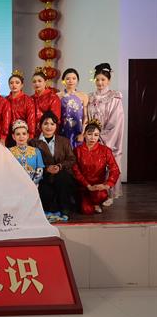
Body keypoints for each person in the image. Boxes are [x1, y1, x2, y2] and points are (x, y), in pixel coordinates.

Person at [30, 111, 76, 222]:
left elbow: (71, 159)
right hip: (43, 176)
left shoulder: (64, 141)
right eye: (45, 123)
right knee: (46, 193)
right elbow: (32, 162)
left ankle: (65, 209)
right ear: (40, 125)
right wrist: (46, 168)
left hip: (62, 175)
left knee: (63, 177)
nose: (49, 127)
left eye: (52, 124)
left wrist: (59, 166)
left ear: (56, 126)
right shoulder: (34, 143)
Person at [87, 62, 124, 202]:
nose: (100, 82)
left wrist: (101, 136)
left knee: (108, 162)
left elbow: (116, 121)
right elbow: (87, 118)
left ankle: (108, 193)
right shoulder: (90, 97)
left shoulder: (115, 98)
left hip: (109, 137)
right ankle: (94, 193)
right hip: (92, 136)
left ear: (109, 80)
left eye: (103, 79)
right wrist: (92, 135)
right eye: (97, 79)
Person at [72, 121, 121, 215]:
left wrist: (107, 185)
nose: (92, 138)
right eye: (89, 134)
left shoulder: (105, 150)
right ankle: (88, 202)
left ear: (99, 136)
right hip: (83, 186)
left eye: (96, 135)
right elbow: (75, 171)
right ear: (84, 134)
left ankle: (96, 203)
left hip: (98, 187)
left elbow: (115, 169)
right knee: (86, 210)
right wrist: (87, 185)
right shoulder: (77, 151)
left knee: (101, 195)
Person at [59, 68, 88, 148]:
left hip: (78, 131)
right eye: (68, 78)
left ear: (77, 80)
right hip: (63, 131)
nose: (71, 81)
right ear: (63, 80)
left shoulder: (83, 96)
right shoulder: (58, 95)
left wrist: (83, 134)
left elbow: (85, 116)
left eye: (74, 78)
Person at [9, 119, 44, 185]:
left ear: (28, 135)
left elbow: (40, 170)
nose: (21, 136)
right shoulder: (8, 152)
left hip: (32, 186)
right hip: (14, 185)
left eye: (24, 134)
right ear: (13, 136)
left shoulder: (36, 151)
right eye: (18, 134)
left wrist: (31, 184)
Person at [7, 69, 36, 145]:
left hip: (22, 135)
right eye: (11, 83)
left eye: (17, 83)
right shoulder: (5, 100)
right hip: (8, 135)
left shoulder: (28, 100)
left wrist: (31, 135)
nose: (14, 85)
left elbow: (31, 119)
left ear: (22, 85)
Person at [31, 68, 61, 137]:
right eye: (34, 82)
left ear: (45, 82)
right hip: (33, 133)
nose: (37, 83)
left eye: (39, 81)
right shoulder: (31, 99)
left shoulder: (53, 97)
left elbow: (55, 119)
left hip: (48, 132)